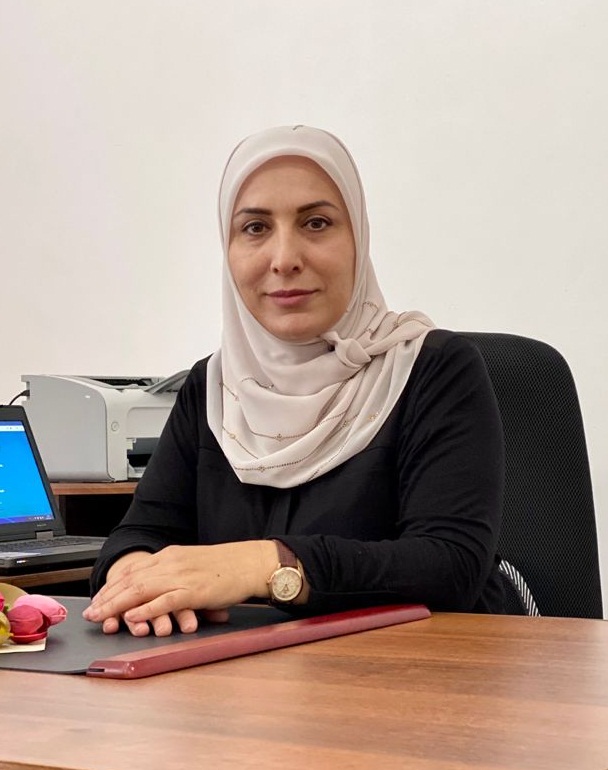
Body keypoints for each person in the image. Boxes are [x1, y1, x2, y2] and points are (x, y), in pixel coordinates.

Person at [84, 125, 505, 637]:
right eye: (255, 228)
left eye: (316, 223)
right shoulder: (214, 387)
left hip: (410, 670)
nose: (284, 259)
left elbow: (450, 565)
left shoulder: (431, 370)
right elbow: (140, 534)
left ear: (359, 239)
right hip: (235, 676)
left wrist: (265, 566)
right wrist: (134, 579)